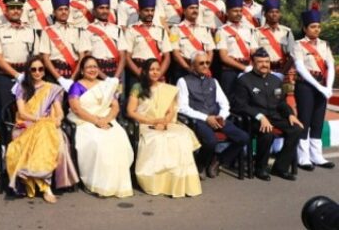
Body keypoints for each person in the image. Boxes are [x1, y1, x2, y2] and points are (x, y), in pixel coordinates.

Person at [6, 56, 79, 204]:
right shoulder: (22, 87)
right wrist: (38, 120)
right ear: (28, 71)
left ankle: (46, 187)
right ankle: (45, 186)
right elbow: (22, 113)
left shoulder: (52, 89)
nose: (37, 72)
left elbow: (59, 111)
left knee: (45, 134)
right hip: (23, 125)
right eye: (33, 69)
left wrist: (58, 118)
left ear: (45, 71)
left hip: (46, 125)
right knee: (43, 131)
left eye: (40, 69)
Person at [126, 59, 202, 198]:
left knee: (181, 137)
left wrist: (165, 122)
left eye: (157, 69)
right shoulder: (138, 87)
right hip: (145, 123)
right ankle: (156, 182)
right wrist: (153, 121)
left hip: (165, 122)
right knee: (157, 139)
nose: (155, 72)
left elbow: (171, 111)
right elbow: (131, 111)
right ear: (144, 71)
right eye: (151, 69)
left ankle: (179, 181)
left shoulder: (167, 88)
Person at [233, 48, 304, 181]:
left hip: (275, 116)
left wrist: (290, 114)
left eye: (267, 61)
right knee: (267, 132)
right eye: (260, 62)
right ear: (253, 63)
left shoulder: (275, 80)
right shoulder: (244, 81)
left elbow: (281, 102)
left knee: (296, 129)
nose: (264, 64)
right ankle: (260, 168)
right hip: (254, 119)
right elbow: (240, 105)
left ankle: (280, 168)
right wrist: (260, 116)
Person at [67, 56, 134, 197]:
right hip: (85, 121)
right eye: (89, 67)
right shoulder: (76, 86)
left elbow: (115, 107)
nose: (92, 70)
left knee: (119, 138)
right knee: (98, 141)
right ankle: (97, 183)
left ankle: (118, 184)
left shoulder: (105, 85)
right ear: (82, 70)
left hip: (106, 119)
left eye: (95, 67)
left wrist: (106, 120)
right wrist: (96, 121)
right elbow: (76, 109)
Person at [177, 51, 249, 179]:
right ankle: (201, 165)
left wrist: (221, 116)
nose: (205, 65)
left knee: (243, 137)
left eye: (207, 63)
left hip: (217, 118)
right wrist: (206, 118)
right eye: (201, 63)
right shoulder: (183, 81)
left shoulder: (213, 81)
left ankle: (219, 160)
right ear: (193, 65)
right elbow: (182, 107)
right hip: (198, 119)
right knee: (211, 141)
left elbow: (225, 104)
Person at [293, 5, 336, 170]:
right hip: (306, 86)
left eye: (318, 26)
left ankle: (317, 155)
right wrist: (319, 86)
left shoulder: (324, 44)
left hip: (322, 86)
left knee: (318, 120)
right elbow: (300, 68)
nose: (316, 29)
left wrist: (329, 87)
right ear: (305, 28)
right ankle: (303, 157)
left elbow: (330, 66)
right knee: (305, 119)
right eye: (312, 26)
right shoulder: (299, 45)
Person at [0, 0, 40, 112]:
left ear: (22, 11)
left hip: (27, 76)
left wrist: (26, 75)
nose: (15, 11)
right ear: (6, 11)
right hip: (6, 76)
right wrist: (16, 75)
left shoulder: (31, 31)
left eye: (18, 8)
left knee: (29, 109)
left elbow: (36, 57)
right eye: (12, 8)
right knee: (6, 111)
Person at [40, 0, 91, 87]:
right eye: (60, 9)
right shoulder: (47, 31)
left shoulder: (78, 31)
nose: (63, 12)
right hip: (53, 75)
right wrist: (59, 79)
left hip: (74, 73)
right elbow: (46, 58)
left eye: (66, 9)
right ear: (54, 12)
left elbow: (82, 56)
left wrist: (72, 78)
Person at [125, 0, 172, 92]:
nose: (150, 13)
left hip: (156, 72)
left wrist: (158, 74)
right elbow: (127, 57)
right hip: (138, 72)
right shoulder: (131, 30)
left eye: (152, 10)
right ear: (139, 11)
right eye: (146, 10)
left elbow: (167, 57)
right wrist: (140, 74)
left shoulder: (161, 31)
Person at [215, 0, 259, 97]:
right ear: (227, 12)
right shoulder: (221, 31)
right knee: (230, 100)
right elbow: (223, 57)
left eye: (240, 11)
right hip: (230, 71)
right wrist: (243, 68)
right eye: (235, 11)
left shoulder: (249, 30)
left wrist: (253, 66)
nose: (238, 14)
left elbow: (253, 51)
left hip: (248, 68)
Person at [169, 0, 215, 81]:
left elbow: (210, 51)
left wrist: (206, 66)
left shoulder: (205, 28)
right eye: (191, 8)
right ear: (184, 10)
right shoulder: (176, 29)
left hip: (203, 68)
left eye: (196, 8)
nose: (194, 10)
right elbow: (176, 54)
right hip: (184, 69)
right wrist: (188, 68)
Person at [85, 0, 128, 79]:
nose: (104, 11)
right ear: (94, 10)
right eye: (101, 8)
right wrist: (105, 78)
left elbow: (123, 56)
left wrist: (115, 78)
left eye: (107, 8)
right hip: (95, 72)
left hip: (115, 71)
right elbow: (87, 56)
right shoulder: (87, 30)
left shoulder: (117, 29)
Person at [254, 0, 295, 75]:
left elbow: (292, 56)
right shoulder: (257, 32)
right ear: (265, 15)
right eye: (271, 12)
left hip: (283, 70)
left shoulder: (286, 32)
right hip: (263, 71)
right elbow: (253, 53)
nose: (274, 14)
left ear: (280, 14)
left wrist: (282, 73)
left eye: (277, 12)